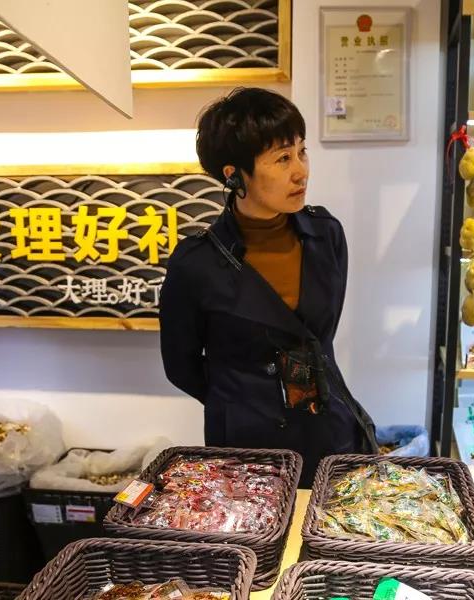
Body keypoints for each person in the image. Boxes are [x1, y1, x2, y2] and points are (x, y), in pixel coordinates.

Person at [159, 87, 377, 487]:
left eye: (302, 152)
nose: (301, 171)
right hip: (248, 450)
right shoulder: (196, 263)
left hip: (328, 432)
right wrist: (242, 398)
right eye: (282, 158)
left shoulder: (325, 234)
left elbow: (318, 335)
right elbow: (180, 366)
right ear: (234, 175)